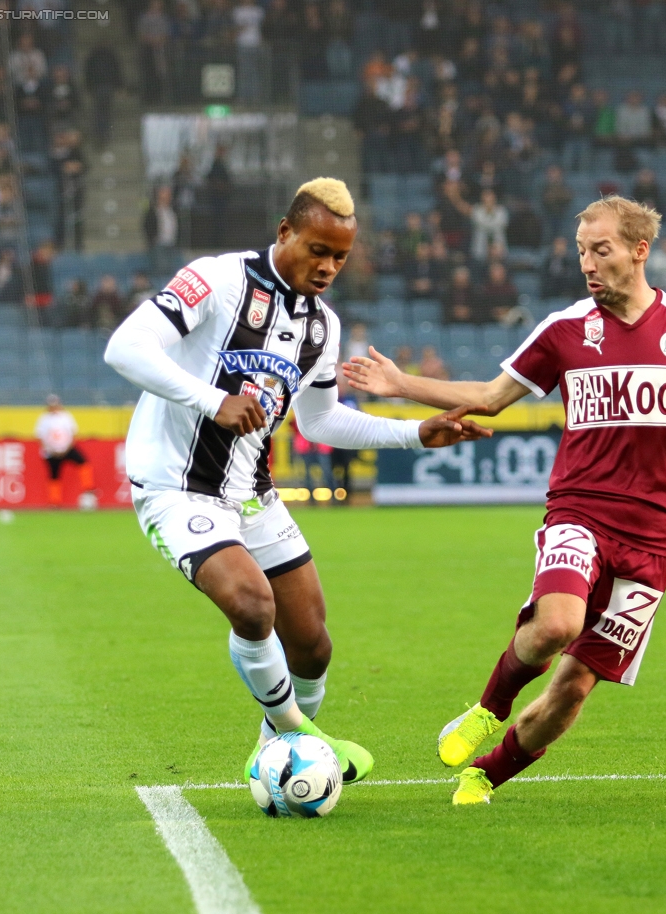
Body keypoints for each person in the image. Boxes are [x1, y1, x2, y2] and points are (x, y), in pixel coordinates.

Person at [343, 195, 666, 805]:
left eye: (601, 249)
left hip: (655, 536)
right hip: (580, 510)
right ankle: (488, 708)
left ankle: (487, 773)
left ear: (640, 252)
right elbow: (488, 396)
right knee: (556, 624)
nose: (587, 262)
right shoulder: (564, 331)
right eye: (582, 250)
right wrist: (402, 385)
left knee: (574, 689)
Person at [104, 178, 489, 788]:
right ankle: (301, 736)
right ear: (285, 231)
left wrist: (416, 433)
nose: (328, 266)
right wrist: (213, 400)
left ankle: (273, 755)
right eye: (317, 249)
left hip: (251, 495)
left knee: (312, 646)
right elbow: (124, 348)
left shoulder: (322, 327)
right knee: (252, 606)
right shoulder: (218, 279)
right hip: (175, 487)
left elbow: (321, 420)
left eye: (340, 256)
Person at [35, 395, 95, 507]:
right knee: (54, 476)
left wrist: (67, 448)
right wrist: (50, 449)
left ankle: (88, 488)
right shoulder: (44, 419)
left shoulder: (66, 416)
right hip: (51, 452)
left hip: (67, 449)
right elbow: (40, 437)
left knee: (83, 463)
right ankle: (54, 501)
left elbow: (72, 433)